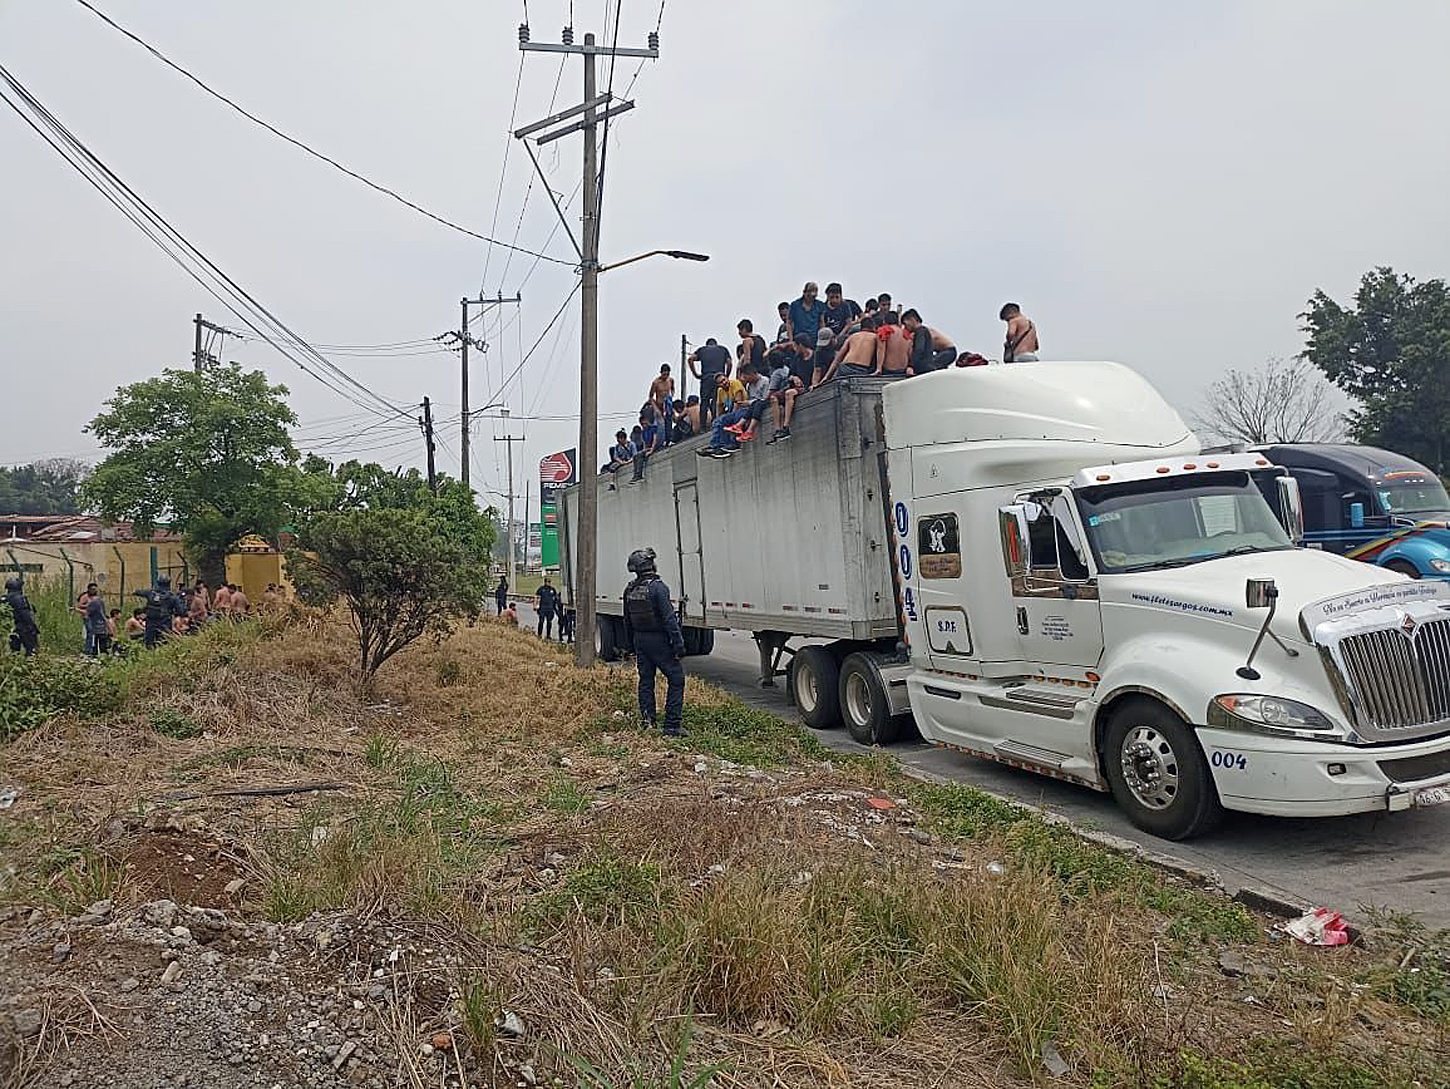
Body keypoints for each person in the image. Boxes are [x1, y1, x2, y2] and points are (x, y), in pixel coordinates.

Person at [621, 547, 685, 737]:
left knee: (646, 680)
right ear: (650, 565)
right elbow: (669, 619)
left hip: (640, 640)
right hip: (659, 640)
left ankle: (648, 721)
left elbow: (627, 621)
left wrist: (630, 646)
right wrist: (679, 645)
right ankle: (672, 726)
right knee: (676, 679)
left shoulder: (630, 589)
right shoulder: (658, 587)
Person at [699, 364, 768, 458]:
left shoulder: (735, 383)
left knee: (735, 417)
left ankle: (733, 444)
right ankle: (716, 446)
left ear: (727, 378)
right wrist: (720, 418)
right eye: (720, 382)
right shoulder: (720, 391)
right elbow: (719, 407)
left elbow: (738, 403)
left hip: (743, 409)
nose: (723, 383)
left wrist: (728, 418)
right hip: (735, 412)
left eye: (724, 380)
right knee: (718, 421)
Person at [818, 315, 880, 384]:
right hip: (860, 369)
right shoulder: (875, 337)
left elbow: (837, 359)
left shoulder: (852, 337)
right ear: (873, 327)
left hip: (845, 367)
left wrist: (826, 377)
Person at [687, 338, 732, 428]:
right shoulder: (723, 349)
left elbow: (690, 359)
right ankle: (716, 422)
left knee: (704, 402)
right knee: (717, 401)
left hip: (706, 378)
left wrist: (695, 374)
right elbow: (729, 363)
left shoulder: (702, 350)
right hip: (719, 378)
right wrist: (726, 376)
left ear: (707, 344)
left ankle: (703, 427)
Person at [134, 576, 184, 649]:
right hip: (165, 623)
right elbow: (180, 611)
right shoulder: (172, 597)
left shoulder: (150, 593)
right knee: (164, 644)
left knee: (149, 644)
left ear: (158, 583)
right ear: (169, 583)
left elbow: (137, 592)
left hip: (150, 624)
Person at [901, 309, 958, 375]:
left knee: (931, 364)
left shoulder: (923, 331)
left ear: (912, 319)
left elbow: (920, 349)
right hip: (940, 351)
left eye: (905, 324)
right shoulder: (922, 331)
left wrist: (912, 366)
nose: (905, 328)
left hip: (949, 351)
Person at [5, 576, 39, 656]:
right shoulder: (19, 599)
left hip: (10, 627)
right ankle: (30, 665)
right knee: (31, 650)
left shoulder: (4, 599)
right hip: (24, 627)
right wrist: (33, 626)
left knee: (14, 651)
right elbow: (25, 614)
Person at [875, 310, 911, 377]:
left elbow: (881, 349)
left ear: (884, 321)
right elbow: (909, 352)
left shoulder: (884, 330)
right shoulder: (905, 333)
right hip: (903, 369)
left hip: (889, 369)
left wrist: (878, 368)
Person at [648, 364, 676, 443]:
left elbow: (673, 389)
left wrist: (671, 396)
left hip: (667, 404)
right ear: (661, 373)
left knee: (669, 422)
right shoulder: (656, 382)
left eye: (667, 374)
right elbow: (650, 397)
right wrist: (655, 408)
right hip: (659, 405)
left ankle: (669, 439)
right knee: (660, 424)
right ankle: (661, 441)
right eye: (664, 374)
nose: (665, 376)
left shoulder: (670, 380)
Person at [632, 408, 661, 483]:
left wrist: (651, 450)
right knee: (636, 456)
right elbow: (645, 443)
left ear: (647, 421)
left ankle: (639, 476)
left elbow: (655, 440)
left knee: (640, 455)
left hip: (655, 447)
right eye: (642, 424)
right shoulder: (644, 432)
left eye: (644, 423)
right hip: (648, 448)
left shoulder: (653, 428)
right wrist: (645, 449)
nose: (644, 425)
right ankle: (636, 475)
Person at [76, 582, 100, 655]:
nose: (94, 591)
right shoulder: (85, 597)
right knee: (90, 633)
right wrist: (89, 605)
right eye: (93, 589)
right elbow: (78, 606)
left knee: (96, 634)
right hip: (88, 617)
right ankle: (88, 650)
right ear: (89, 589)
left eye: (95, 589)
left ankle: (94, 650)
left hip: (96, 618)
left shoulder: (97, 597)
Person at [85, 591, 110, 657]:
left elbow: (88, 613)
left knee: (95, 640)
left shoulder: (94, 603)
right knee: (101, 641)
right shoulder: (101, 602)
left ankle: (94, 653)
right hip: (101, 626)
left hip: (95, 625)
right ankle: (102, 654)